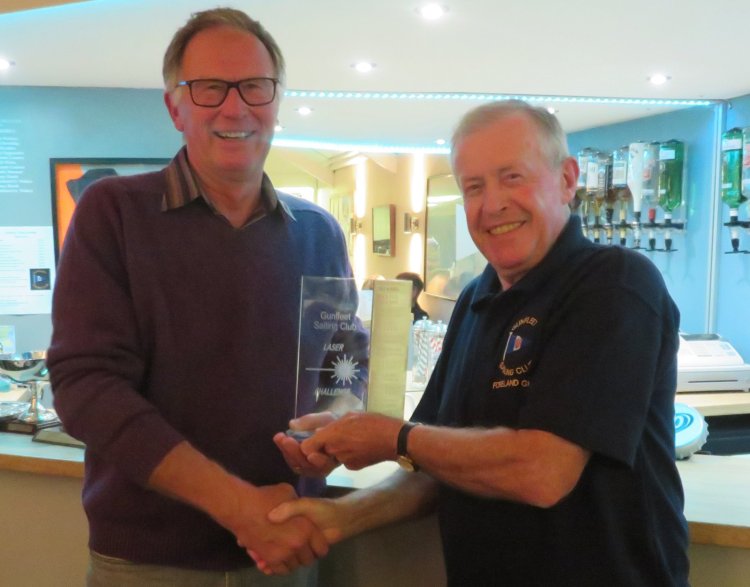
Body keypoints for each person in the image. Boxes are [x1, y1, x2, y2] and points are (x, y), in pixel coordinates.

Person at [272, 100, 690, 586]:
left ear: (567, 179)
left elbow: (543, 472)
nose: (492, 204)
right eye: (474, 187)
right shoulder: (476, 299)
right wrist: (339, 517)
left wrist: (392, 437)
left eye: (512, 177)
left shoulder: (614, 284)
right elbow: (434, 465)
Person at [47, 7, 350, 585]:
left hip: (288, 545)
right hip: (150, 561)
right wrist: (240, 508)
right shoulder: (113, 213)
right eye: (209, 87)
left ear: (276, 102)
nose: (235, 108)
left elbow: (340, 369)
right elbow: (86, 387)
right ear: (175, 108)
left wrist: (326, 438)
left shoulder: (319, 232)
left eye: (255, 86)